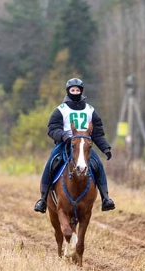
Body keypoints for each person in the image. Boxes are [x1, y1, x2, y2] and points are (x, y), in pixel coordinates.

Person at [34, 78, 115, 214]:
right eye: (73, 90)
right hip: (65, 144)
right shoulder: (61, 110)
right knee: (50, 163)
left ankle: (106, 198)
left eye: (78, 90)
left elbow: (97, 132)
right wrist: (64, 135)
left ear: (81, 91)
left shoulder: (90, 110)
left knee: (98, 165)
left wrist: (105, 147)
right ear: (68, 91)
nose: (75, 92)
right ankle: (42, 199)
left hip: (84, 146)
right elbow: (52, 128)